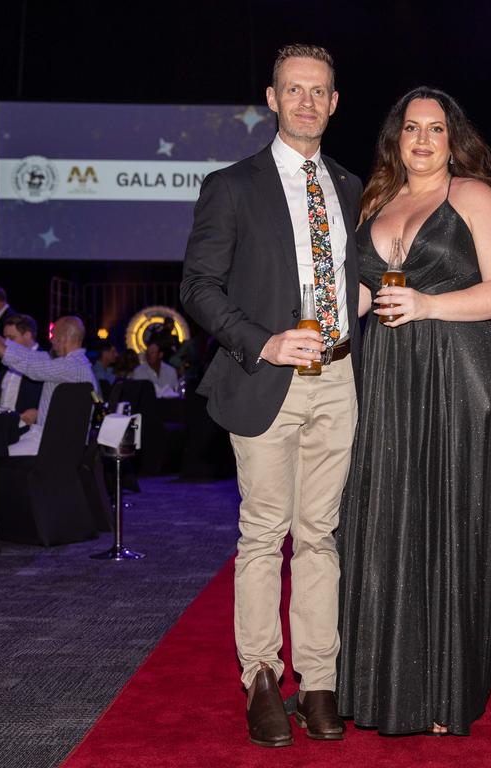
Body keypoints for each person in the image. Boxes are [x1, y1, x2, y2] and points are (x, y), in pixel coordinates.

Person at [180, 44, 361, 748]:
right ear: (272, 97)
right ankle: (261, 678)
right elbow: (198, 287)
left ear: (335, 101)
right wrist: (263, 340)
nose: (308, 101)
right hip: (266, 377)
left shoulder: (352, 186)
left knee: (321, 537)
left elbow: (358, 278)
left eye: (319, 91)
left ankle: (319, 681)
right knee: (264, 535)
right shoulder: (232, 185)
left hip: (341, 378)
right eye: (295, 90)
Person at [337, 87, 491, 737]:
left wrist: (427, 305)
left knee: (450, 527)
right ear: (396, 138)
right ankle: (383, 688)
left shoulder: (470, 196)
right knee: (385, 525)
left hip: (458, 379)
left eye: (436, 129)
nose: (422, 139)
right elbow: (361, 294)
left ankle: (445, 693)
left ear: (453, 139)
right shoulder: (375, 202)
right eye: (411, 128)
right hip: (386, 381)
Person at [0, 313, 96, 456]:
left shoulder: (71, 366)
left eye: (53, 335)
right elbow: (26, 355)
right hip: (50, 438)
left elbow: (28, 365)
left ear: (63, 338)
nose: (51, 339)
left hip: (57, 444)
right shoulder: (69, 362)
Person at [0, 314, 44, 424]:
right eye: (5, 338)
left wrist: (39, 412)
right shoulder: (8, 356)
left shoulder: (45, 360)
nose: (7, 342)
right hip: (3, 425)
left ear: (28, 335)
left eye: (12, 338)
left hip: (27, 430)